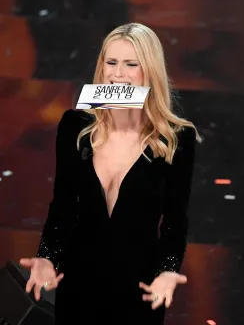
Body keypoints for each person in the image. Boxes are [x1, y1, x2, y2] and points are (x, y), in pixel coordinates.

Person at [19, 23, 201, 324]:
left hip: (140, 289)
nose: (118, 74)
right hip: (77, 285)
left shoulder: (176, 138)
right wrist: (47, 256)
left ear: (150, 70)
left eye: (131, 64)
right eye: (111, 62)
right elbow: (62, 205)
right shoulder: (75, 126)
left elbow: (175, 220)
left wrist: (168, 270)